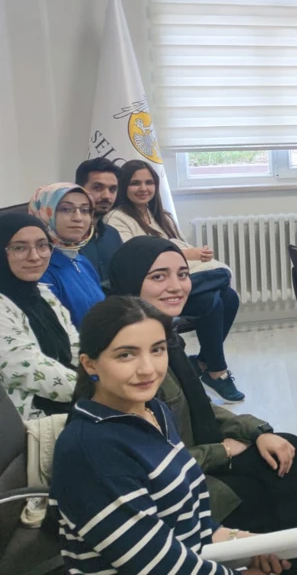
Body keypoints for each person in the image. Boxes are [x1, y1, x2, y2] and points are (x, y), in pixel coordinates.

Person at [107, 239, 297, 574]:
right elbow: (152, 462)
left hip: (196, 456)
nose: (176, 286)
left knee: (288, 451)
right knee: (267, 492)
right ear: (131, 281)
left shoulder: (165, 336)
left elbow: (200, 406)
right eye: (158, 277)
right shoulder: (128, 356)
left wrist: (257, 431)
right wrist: (223, 451)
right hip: (174, 485)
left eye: (182, 274)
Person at [50, 297, 297, 575]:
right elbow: (155, 565)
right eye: (126, 355)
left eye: (157, 350)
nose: (148, 369)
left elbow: (189, 524)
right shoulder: (90, 450)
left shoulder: (153, 411)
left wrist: (245, 543)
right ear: (90, 365)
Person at [104, 160, 245, 402]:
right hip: (150, 290)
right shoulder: (117, 218)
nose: (143, 188)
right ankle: (216, 370)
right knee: (213, 294)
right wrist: (190, 254)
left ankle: (204, 362)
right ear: (124, 186)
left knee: (228, 297)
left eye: (149, 182)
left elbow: (179, 252)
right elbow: (135, 258)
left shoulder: (160, 215)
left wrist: (197, 255)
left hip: (177, 281)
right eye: (135, 183)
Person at [0, 213, 79, 419]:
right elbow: (27, 369)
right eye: (20, 248)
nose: (35, 256)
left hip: (69, 403)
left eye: (42, 245)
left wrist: (105, 375)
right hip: (28, 423)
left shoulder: (44, 294)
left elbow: (76, 347)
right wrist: (99, 390)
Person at [30, 183, 104, 326]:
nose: (78, 218)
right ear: (43, 212)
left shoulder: (80, 260)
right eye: (66, 209)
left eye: (85, 210)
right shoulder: (37, 266)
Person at [74, 157, 123, 283]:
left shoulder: (112, 234)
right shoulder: (66, 238)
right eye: (97, 188)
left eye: (112, 189)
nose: (107, 196)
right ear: (80, 189)